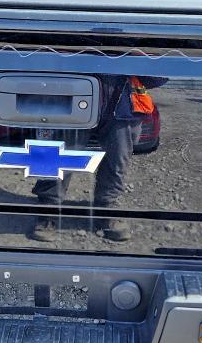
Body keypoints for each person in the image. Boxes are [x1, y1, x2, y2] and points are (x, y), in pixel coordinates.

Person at [30, 75, 165, 242]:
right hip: (75, 100)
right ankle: (47, 211)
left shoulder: (137, 47)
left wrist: (142, 55)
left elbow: (158, 78)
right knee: (60, 156)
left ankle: (106, 212)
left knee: (117, 161)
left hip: (123, 106)